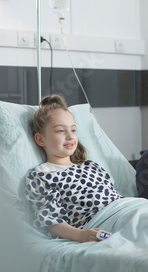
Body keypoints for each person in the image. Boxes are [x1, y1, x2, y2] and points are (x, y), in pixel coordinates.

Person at [25, 94, 123, 242]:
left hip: (126, 210)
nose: (70, 136)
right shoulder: (42, 175)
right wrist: (82, 235)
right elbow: (51, 220)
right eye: (60, 131)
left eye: (73, 130)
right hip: (101, 223)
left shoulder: (92, 167)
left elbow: (115, 198)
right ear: (40, 139)